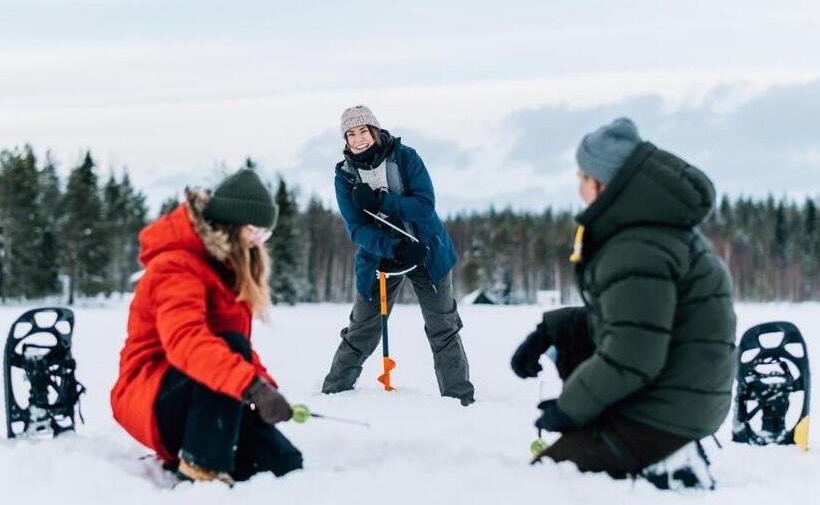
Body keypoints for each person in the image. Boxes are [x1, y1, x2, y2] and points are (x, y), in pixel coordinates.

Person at [511, 118, 736, 479]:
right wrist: (552, 330)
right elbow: (632, 318)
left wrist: (569, 410)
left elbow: (633, 353)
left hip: (670, 413)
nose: (579, 185)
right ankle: (640, 443)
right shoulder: (648, 231)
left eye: (582, 176)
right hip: (684, 395)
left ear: (600, 183)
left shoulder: (636, 246)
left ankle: (670, 457)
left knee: (550, 477)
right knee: (572, 344)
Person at [111, 169, 302, 486]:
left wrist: (265, 387)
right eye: (253, 230)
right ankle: (202, 472)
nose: (257, 242)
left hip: (203, 394)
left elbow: (235, 347)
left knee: (283, 463)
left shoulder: (222, 269)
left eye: (263, 234)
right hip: (151, 395)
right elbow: (188, 342)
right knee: (228, 349)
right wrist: (250, 386)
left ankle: (206, 451)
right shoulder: (176, 266)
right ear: (230, 225)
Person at [322, 105, 475, 405]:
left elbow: (424, 205)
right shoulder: (345, 176)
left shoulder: (406, 158)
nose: (358, 139)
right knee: (362, 330)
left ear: (374, 131)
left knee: (443, 327)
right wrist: (392, 248)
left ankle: (460, 401)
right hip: (379, 259)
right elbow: (357, 229)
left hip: (427, 251)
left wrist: (381, 200)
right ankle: (332, 393)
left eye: (363, 130)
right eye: (350, 134)